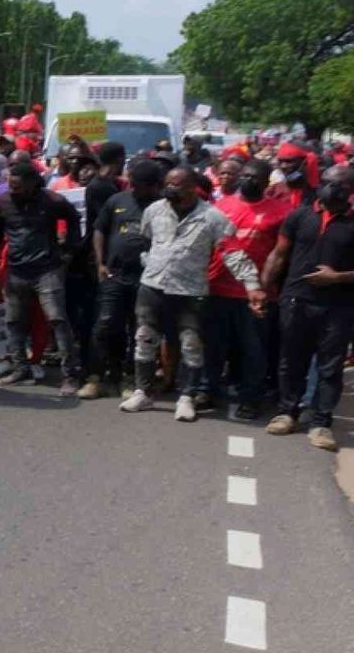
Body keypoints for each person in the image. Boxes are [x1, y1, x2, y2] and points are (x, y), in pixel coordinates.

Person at [119, 167, 263, 419]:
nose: (169, 189)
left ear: (191, 188)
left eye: (176, 184)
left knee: (191, 344)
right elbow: (145, 241)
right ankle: (143, 391)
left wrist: (251, 285)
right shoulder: (154, 210)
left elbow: (232, 252)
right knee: (144, 338)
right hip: (152, 286)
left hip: (190, 291)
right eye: (167, 183)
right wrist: (150, 263)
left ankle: (187, 396)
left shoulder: (212, 217)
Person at [261, 165, 354, 451]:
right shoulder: (299, 215)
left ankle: (320, 423)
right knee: (291, 360)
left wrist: (337, 277)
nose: (330, 188)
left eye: (338, 184)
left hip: (339, 307)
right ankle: (287, 413)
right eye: (326, 182)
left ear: (349, 189)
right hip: (296, 300)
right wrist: (264, 288)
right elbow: (278, 255)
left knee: (329, 367)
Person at [199, 159, 289, 419]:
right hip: (217, 287)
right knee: (213, 345)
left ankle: (252, 398)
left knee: (253, 349)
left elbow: (281, 254)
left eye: (254, 178)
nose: (247, 181)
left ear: (265, 182)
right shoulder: (221, 206)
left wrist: (266, 286)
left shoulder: (281, 211)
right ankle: (207, 390)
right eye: (245, 176)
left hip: (255, 293)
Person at [0, 161, 85, 395]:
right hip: (17, 271)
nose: (13, 191)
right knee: (14, 321)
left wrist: (69, 249)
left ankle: (70, 374)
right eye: (10, 185)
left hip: (47, 270)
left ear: (32, 184)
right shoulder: (0, 202)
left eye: (18, 187)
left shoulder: (52, 201)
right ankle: (21, 367)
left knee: (57, 320)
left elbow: (73, 219)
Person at [84, 160, 164, 399]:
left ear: (153, 186)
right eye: (132, 183)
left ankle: (128, 378)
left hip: (147, 279)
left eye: (139, 185)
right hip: (114, 275)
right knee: (105, 324)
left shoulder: (163, 208)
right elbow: (99, 229)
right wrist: (100, 262)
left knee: (138, 329)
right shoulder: (117, 200)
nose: (133, 188)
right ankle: (96, 377)